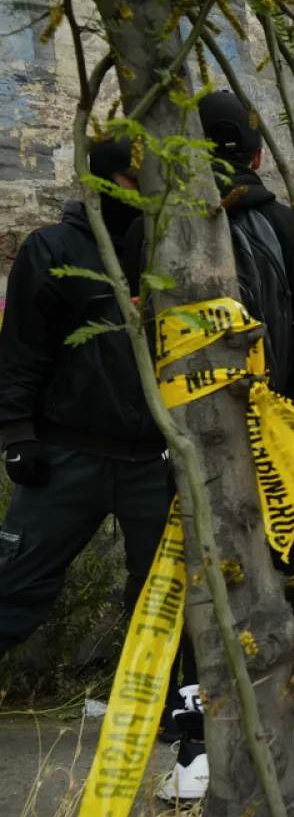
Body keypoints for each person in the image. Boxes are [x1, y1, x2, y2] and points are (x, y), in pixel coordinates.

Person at [145, 90, 294, 801]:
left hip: (183, 434)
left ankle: (192, 735)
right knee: (272, 585)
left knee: (198, 576)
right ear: (260, 151)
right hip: (277, 439)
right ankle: (248, 752)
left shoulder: (160, 227)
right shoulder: (288, 227)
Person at [0, 138, 169, 663]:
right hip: (63, 458)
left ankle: (168, 711)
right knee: (13, 585)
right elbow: (20, 351)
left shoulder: (171, 254)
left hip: (152, 463)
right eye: (137, 184)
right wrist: (16, 435)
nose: (149, 196)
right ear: (104, 182)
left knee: (164, 598)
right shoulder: (52, 249)